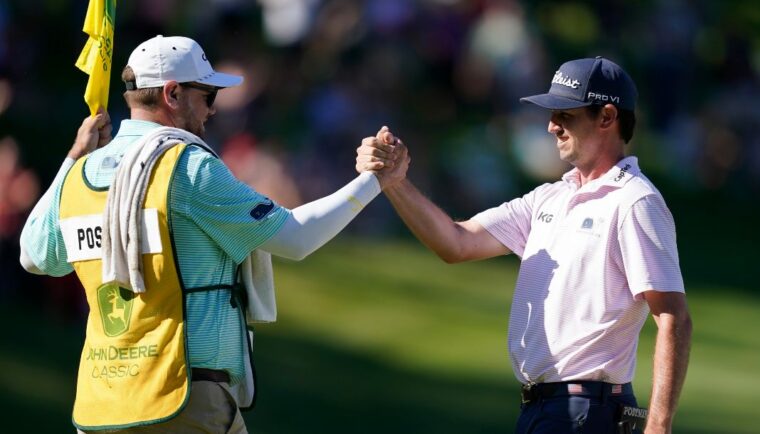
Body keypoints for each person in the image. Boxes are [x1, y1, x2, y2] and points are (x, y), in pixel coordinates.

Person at [19, 35, 404, 433]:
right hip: (181, 396)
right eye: (207, 94)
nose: (213, 109)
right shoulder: (186, 166)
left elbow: (34, 254)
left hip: (102, 404)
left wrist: (72, 159)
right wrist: (374, 181)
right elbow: (296, 237)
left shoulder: (82, 174)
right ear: (172, 94)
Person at [357, 57, 692, 434]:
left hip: (588, 412)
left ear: (606, 116)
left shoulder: (634, 201)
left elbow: (673, 316)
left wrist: (658, 426)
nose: (551, 126)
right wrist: (395, 181)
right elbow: (456, 242)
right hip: (546, 410)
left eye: (565, 115)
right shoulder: (548, 198)